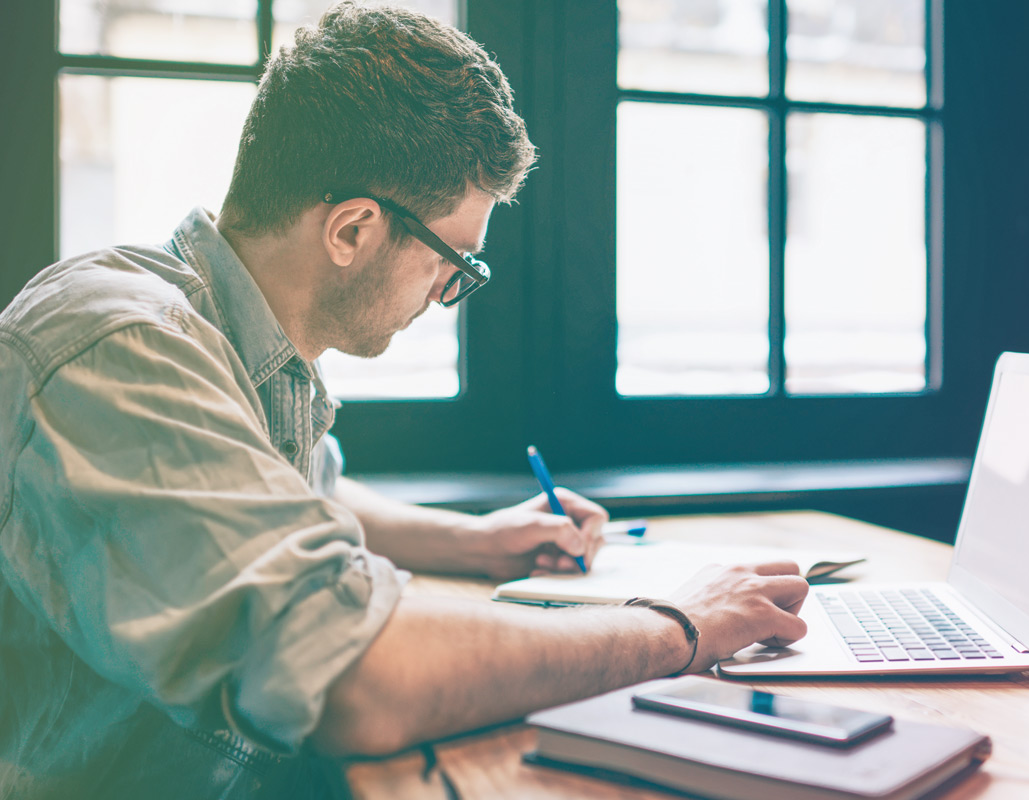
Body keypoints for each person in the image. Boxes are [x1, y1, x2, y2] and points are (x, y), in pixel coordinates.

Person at [0, 3, 810, 797]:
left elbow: (293, 495)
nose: (451, 289)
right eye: (454, 259)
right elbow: (359, 676)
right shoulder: (117, 347)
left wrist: (477, 543)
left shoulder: (231, 333)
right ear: (351, 229)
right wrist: (677, 623)